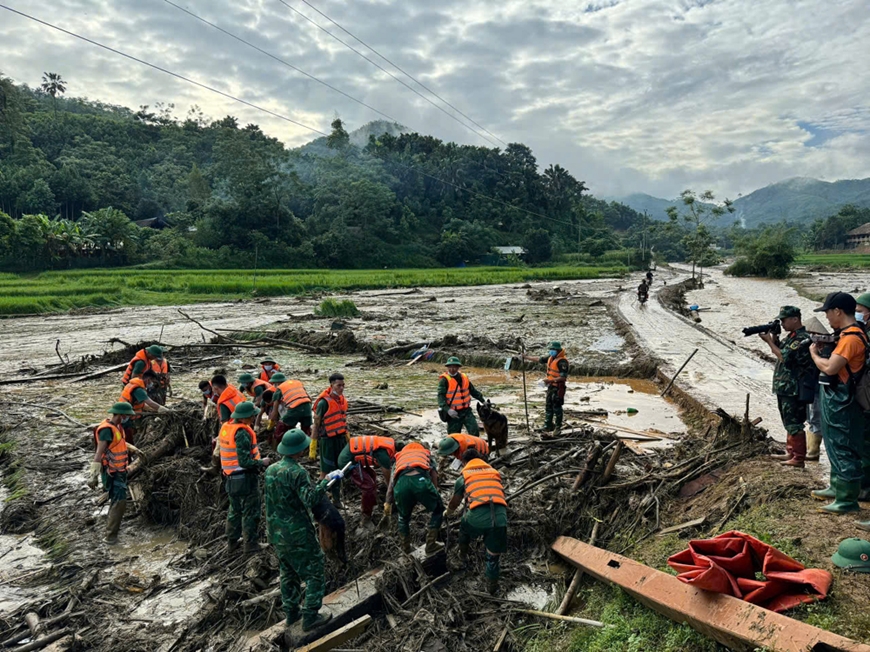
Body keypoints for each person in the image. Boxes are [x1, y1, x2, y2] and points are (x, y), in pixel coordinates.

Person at [265, 429, 340, 631]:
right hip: (297, 532)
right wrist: (326, 482)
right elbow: (310, 499)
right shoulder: (298, 472)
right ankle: (310, 616)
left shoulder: (271, 470)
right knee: (315, 571)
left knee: (288, 573)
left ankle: (292, 614)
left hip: (275, 531)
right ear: (299, 450)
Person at [808, 292, 867, 514]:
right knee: (833, 444)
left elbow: (831, 367)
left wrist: (815, 355)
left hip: (844, 401)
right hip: (836, 398)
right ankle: (836, 487)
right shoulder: (845, 335)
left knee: (843, 447)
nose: (827, 318)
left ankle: (846, 499)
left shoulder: (851, 338)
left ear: (837, 311)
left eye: (827, 313)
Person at [445, 449, 508, 595]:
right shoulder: (493, 473)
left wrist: (447, 513)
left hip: (476, 519)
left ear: (464, 462)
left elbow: (454, 503)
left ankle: (463, 557)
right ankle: (492, 588)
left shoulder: (464, 478)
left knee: (464, 529)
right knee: (493, 558)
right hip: (500, 519)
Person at [758, 306, 814, 468]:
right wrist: (775, 337)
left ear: (795, 319)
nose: (782, 323)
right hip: (784, 387)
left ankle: (798, 457)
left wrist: (769, 342)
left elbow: (784, 357)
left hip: (793, 388)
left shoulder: (801, 339)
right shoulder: (792, 337)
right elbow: (781, 349)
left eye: (784, 320)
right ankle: (791, 452)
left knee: (794, 422)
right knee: (788, 421)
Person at [88, 402, 146, 544]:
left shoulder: (117, 427)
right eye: (127, 415)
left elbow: (119, 443)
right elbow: (99, 452)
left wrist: (134, 449)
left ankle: (112, 533)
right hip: (111, 471)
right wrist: (93, 475)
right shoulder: (106, 430)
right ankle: (110, 537)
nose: (129, 418)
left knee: (117, 500)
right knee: (119, 502)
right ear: (120, 415)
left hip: (120, 469)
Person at [219, 401, 271, 552]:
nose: (254, 418)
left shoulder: (227, 427)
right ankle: (251, 544)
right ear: (243, 418)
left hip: (230, 477)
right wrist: (262, 462)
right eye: (251, 416)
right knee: (251, 511)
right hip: (245, 479)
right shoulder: (241, 433)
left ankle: (232, 542)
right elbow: (245, 461)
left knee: (234, 511)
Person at [384, 441, 444, 554]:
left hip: (401, 486)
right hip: (421, 483)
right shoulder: (426, 455)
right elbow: (434, 478)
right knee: (438, 510)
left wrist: (387, 502)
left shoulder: (399, 459)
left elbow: (391, 485)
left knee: (403, 517)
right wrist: (433, 495)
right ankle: (431, 544)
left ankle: (406, 548)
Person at [337, 435, 396, 530]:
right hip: (347, 462)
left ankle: (372, 501)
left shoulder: (388, 445)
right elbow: (388, 481)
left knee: (372, 476)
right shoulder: (384, 455)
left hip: (352, 456)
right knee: (369, 487)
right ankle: (365, 518)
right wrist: (391, 496)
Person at [311, 373, 348, 505]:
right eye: (339, 385)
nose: (341, 388)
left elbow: (343, 418)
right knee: (326, 470)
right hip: (327, 441)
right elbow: (316, 424)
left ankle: (337, 500)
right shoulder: (323, 403)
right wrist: (313, 445)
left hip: (340, 439)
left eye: (343, 385)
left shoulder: (341, 399)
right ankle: (316, 496)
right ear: (331, 385)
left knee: (339, 469)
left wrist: (346, 436)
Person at [524, 342, 569, 434]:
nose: (551, 351)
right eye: (550, 350)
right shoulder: (551, 358)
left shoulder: (562, 362)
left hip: (558, 388)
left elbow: (563, 377)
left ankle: (558, 427)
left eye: (553, 350)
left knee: (557, 407)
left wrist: (550, 380)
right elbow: (539, 359)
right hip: (550, 387)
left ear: (558, 350)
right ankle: (547, 425)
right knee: (548, 406)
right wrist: (526, 357)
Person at [119, 369, 171, 444]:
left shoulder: (135, 384)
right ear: (148, 379)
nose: (153, 385)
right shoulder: (139, 390)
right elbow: (150, 402)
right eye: (153, 382)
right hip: (126, 416)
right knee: (127, 437)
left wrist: (156, 410)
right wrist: (162, 409)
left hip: (124, 413)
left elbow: (142, 405)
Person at [438, 358, 485, 436]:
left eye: (454, 367)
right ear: (447, 367)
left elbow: (473, 391)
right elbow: (440, 398)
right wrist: (448, 410)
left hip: (466, 411)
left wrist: (483, 401)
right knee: (453, 436)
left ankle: (473, 447)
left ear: (458, 367)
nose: (452, 369)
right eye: (450, 367)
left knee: (474, 431)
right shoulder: (444, 380)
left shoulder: (464, 378)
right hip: (454, 413)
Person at [269, 374, 313, 441]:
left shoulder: (280, 388)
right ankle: (307, 447)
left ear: (277, 383)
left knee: (282, 427)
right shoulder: (297, 383)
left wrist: (271, 424)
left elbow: (274, 412)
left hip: (296, 408)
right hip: (308, 407)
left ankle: (277, 444)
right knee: (306, 430)